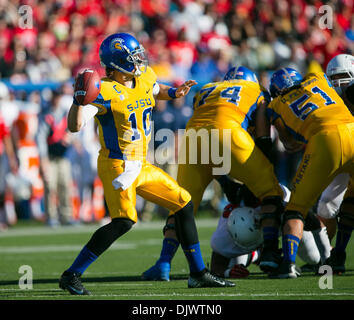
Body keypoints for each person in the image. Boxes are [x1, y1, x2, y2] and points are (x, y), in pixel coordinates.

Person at [59, 33, 234, 295]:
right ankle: (71, 275)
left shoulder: (143, 78)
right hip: (117, 164)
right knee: (124, 221)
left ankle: (198, 273)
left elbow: (155, 90)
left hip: (141, 163)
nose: (140, 60)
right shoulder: (104, 90)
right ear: (118, 63)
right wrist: (77, 101)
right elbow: (74, 126)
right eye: (133, 57)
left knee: (184, 202)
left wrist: (174, 92)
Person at [142, 66, 285, 281]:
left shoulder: (207, 88)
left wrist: (226, 182)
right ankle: (271, 252)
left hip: (192, 136)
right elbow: (263, 138)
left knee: (181, 204)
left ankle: (163, 263)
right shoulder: (256, 90)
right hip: (228, 132)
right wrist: (257, 175)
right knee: (271, 192)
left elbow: (211, 146)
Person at [264, 67, 354, 278]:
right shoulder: (316, 78)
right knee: (351, 196)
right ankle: (338, 256)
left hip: (324, 141)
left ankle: (288, 265)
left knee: (296, 207)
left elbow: (289, 144)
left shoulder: (275, 104)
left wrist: (304, 131)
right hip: (352, 127)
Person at [317, 53, 354, 274]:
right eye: (334, 77)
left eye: (343, 76)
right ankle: (328, 254)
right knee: (326, 207)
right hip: (342, 151)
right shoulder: (328, 98)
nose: (338, 82)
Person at [36, 90, 74, 227]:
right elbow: (40, 138)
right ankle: (51, 216)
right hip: (50, 157)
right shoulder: (46, 115)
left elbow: (73, 128)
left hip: (63, 157)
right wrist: (43, 159)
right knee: (50, 186)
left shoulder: (65, 113)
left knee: (65, 186)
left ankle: (66, 216)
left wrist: (69, 137)